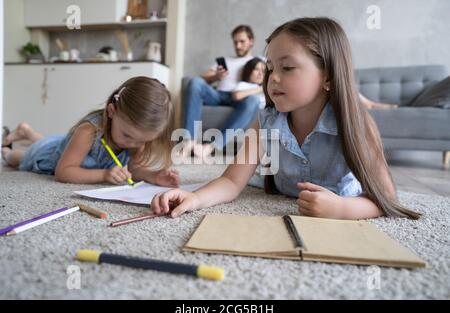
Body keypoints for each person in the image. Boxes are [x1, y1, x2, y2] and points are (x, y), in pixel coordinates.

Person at [151, 17, 420, 220]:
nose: (273, 78)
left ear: (327, 76)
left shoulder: (357, 123)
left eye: (287, 67)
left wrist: (343, 208)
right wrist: (195, 198)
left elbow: (385, 197)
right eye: (270, 69)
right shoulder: (266, 121)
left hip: (340, 199)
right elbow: (232, 181)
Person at [1, 77, 179, 186]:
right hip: (52, 158)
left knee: (50, 142)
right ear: (111, 112)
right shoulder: (88, 131)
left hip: (70, 147)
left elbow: (133, 169)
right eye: (127, 136)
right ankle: (6, 150)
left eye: (142, 141)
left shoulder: (136, 137)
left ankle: (27, 132)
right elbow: (63, 172)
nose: (133, 144)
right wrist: (103, 175)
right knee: (22, 158)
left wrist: (153, 176)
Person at [182, 25, 261, 159]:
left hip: (242, 97)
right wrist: (216, 76)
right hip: (218, 95)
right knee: (195, 82)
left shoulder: (259, 62)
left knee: (254, 100)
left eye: (242, 41)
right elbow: (201, 78)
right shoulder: (225, 61)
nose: (238, 46)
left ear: (251, 41)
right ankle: (188, 141)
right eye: (235, 42)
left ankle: (211, 146)